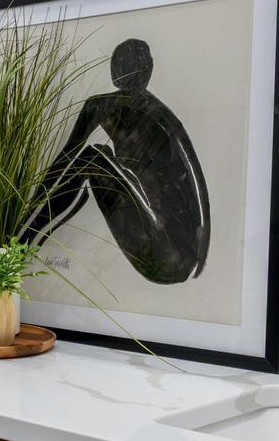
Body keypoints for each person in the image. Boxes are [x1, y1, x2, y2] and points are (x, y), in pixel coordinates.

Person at [20, 37, 210, 284]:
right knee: (100, 157)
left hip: (164, 250)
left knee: (92, 157)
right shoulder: (162, 114)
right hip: (181, 259)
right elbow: (197, 181)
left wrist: (30, 210)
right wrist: (200, 257)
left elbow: (63, 162)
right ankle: (25, 236)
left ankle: (23, 239)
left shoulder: (105, 106)